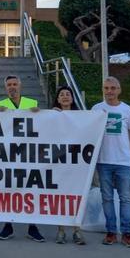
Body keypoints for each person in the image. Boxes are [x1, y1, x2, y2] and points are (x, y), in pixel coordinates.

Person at [0, 75, 44, 242]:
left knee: (30, 191)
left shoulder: (32, 104)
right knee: (8, 191)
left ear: (20, 86)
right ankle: (8, 226)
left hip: (28, 155)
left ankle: (32, 227)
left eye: (15, 84)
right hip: (8, 156)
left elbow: (43, 124)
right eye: (9, 85)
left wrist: (40, 114)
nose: (12, 87)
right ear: (5, 87)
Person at [92, 76, 130, 248]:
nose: (109, 91)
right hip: (103, 161)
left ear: (119, 90)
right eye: (106, 88)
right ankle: (111, 232)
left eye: (113, 88)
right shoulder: (96, 109)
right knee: (107, 198)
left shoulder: (128, 110)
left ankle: (126, 233)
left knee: (125, 198)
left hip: (124, 162)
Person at [51, 85, 86, 245]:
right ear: (57, 99)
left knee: (77, 196)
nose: (65, 97)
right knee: (60, 196)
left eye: (68, 94)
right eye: (61, 95)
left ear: (72, 98)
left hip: (77, 163)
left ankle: (77, 230)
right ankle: (61, 230)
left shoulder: (83, 117)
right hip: (59, 162)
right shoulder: (52, 115)